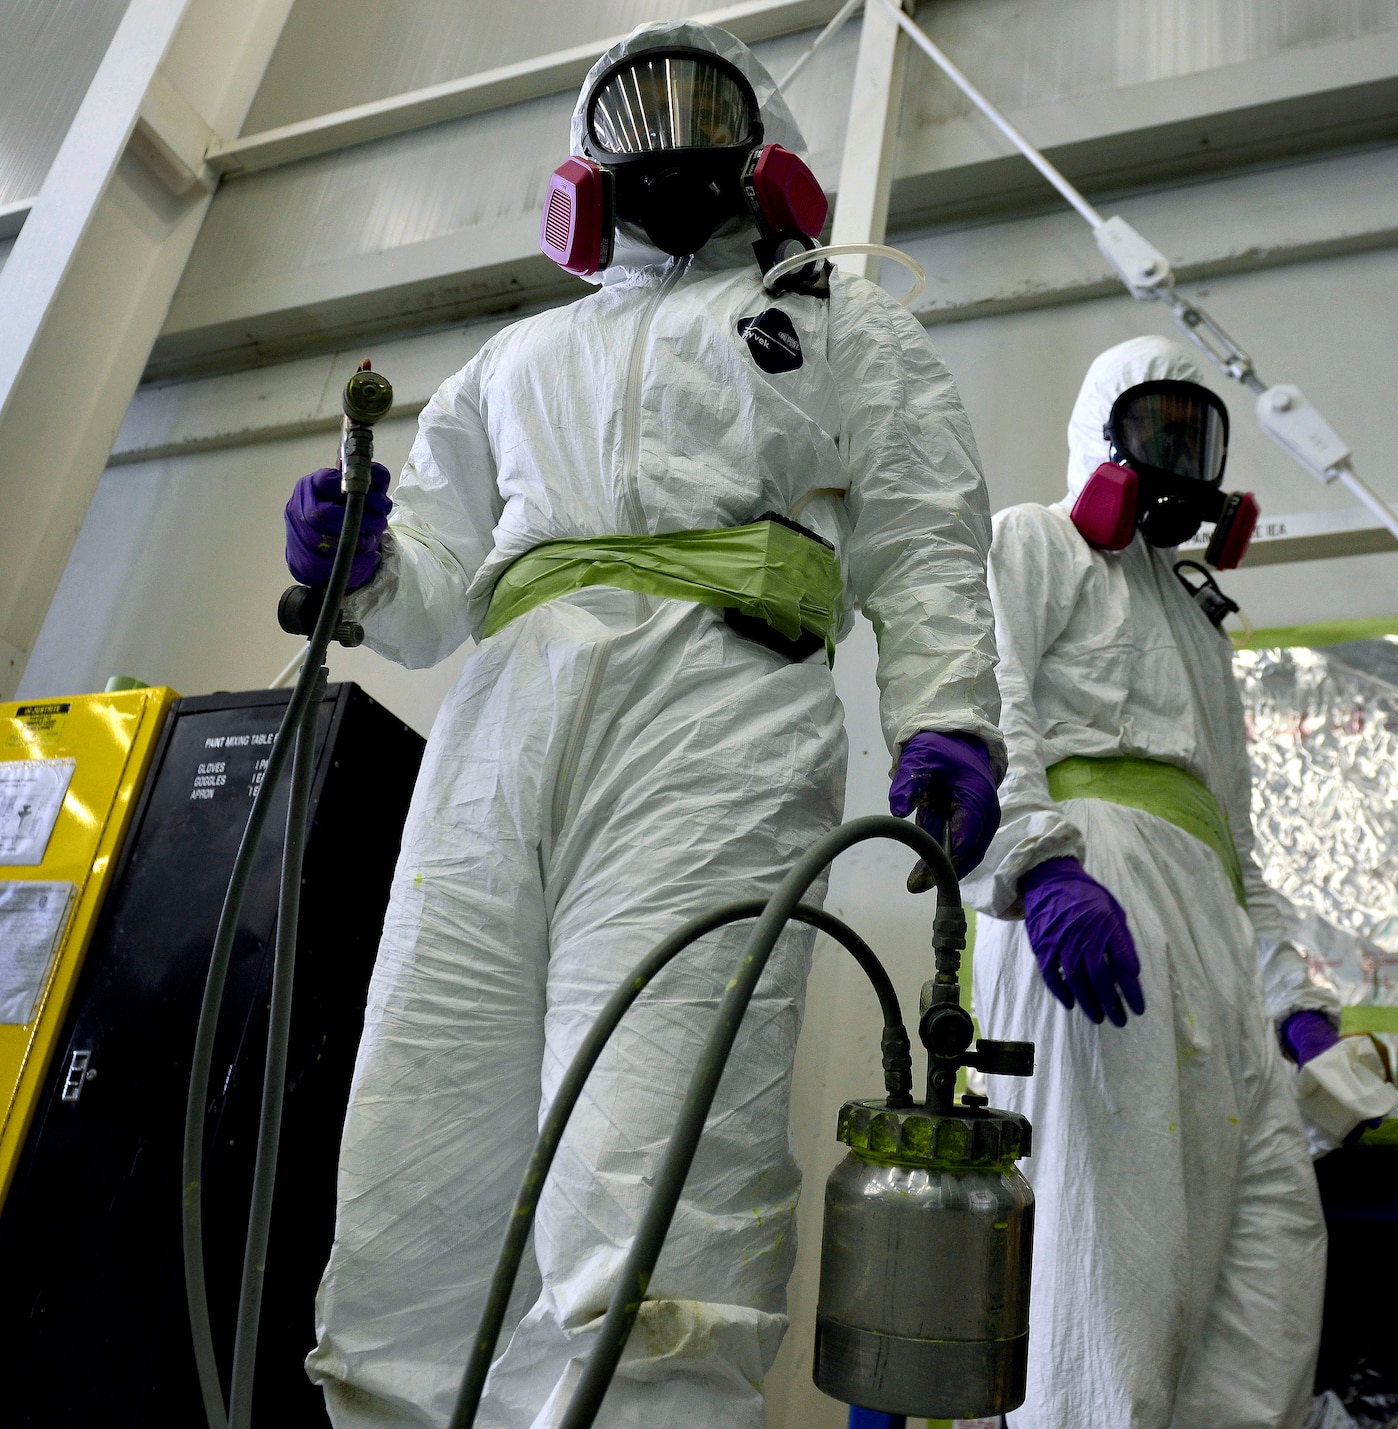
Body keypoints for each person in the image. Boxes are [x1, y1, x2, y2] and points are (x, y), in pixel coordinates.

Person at [289, 22, 1003, 1428]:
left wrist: (950, 720)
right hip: (501, 743)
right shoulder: (517, 358)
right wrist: (358, 559)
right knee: (422, 1126)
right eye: (636, 113)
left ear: (768, 146)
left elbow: (923, 542)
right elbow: (431, 591)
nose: (670, 138)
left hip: (716, 734)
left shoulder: (846, 329)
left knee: (658, 1153)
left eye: (703, 109)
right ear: (584, 165)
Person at [967, 335, 1340, 1428]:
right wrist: (1037, 870)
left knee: (1269, 1259)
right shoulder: (1034, 543)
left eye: (1196, 434)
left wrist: (1291, 1001)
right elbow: (982, 698)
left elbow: (1235, 843)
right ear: (1099, 435)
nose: (1178, 456)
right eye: (1154, 428)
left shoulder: (1194, 622)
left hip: (1209, 930)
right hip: (1093, 896)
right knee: (1106, 1275)